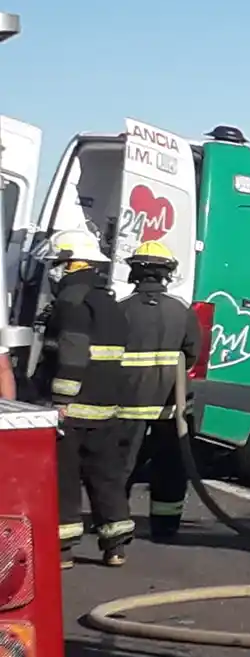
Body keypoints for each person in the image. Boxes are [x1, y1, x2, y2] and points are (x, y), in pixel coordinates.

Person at [32, 229, 133, 568]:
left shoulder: (71, 301)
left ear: (72, 263)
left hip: (71, 408)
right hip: (105, 407)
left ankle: (63, 550)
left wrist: (59, 402)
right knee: (105, 475)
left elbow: (72, 355)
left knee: (65, 476)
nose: (53, 271)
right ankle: (115, 544)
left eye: (57, 263)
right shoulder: (110, 302)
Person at [119, 241, 202, 540]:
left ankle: (116, 526)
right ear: (167, 273)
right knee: (170, 468)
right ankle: (165, 528)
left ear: (134, 272)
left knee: (122, 468)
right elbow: (192, 354)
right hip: (171, 408)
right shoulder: (182, 311)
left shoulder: (121, 310)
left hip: (127, 405)